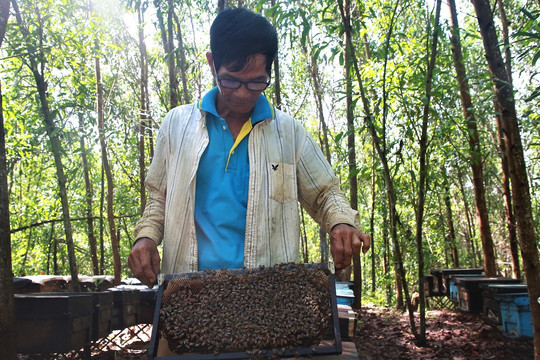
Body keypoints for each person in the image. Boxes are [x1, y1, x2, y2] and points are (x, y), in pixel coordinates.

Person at [128, 7, 370, 288]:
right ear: (211, 63)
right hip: (188, 294)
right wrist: (145, 237)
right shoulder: (177, 125)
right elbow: (159, 197)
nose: (243, 93)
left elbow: (326, 193)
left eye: (257, 82)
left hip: (267, 298)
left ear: (269, 70)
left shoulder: (288, 132)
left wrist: (342, 222)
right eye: (231, 79)